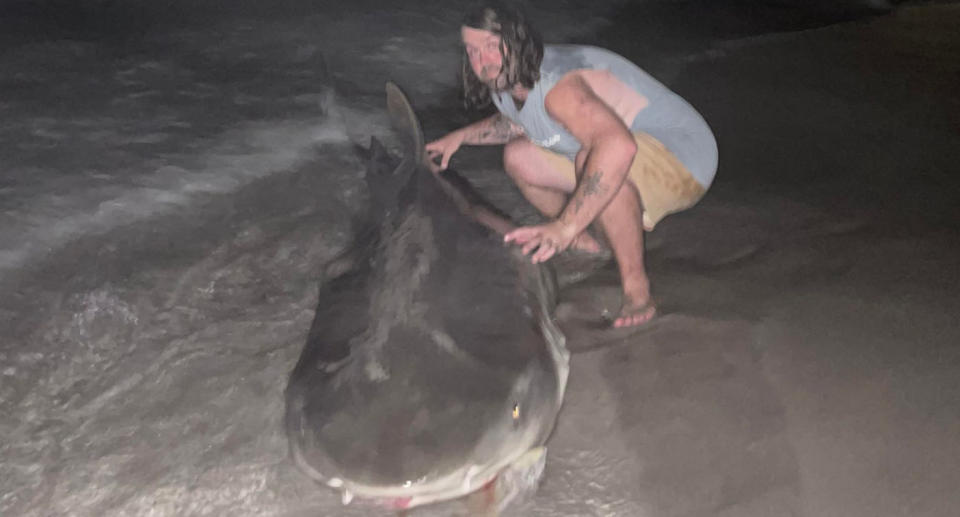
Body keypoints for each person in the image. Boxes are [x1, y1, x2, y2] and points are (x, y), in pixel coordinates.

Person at [425, 1, 717, 328]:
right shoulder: (506, 80)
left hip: (684, 156)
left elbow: (617, 147)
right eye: (472, 51)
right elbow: (517, 122)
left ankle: (637, 290)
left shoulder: (557, 85)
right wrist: (459, 137)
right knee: (518, 157)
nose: (483, 62)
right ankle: (586, 241)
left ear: (517, 41)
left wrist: (564, 225)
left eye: (492, 47)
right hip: (628, 144)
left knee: (594, 159)